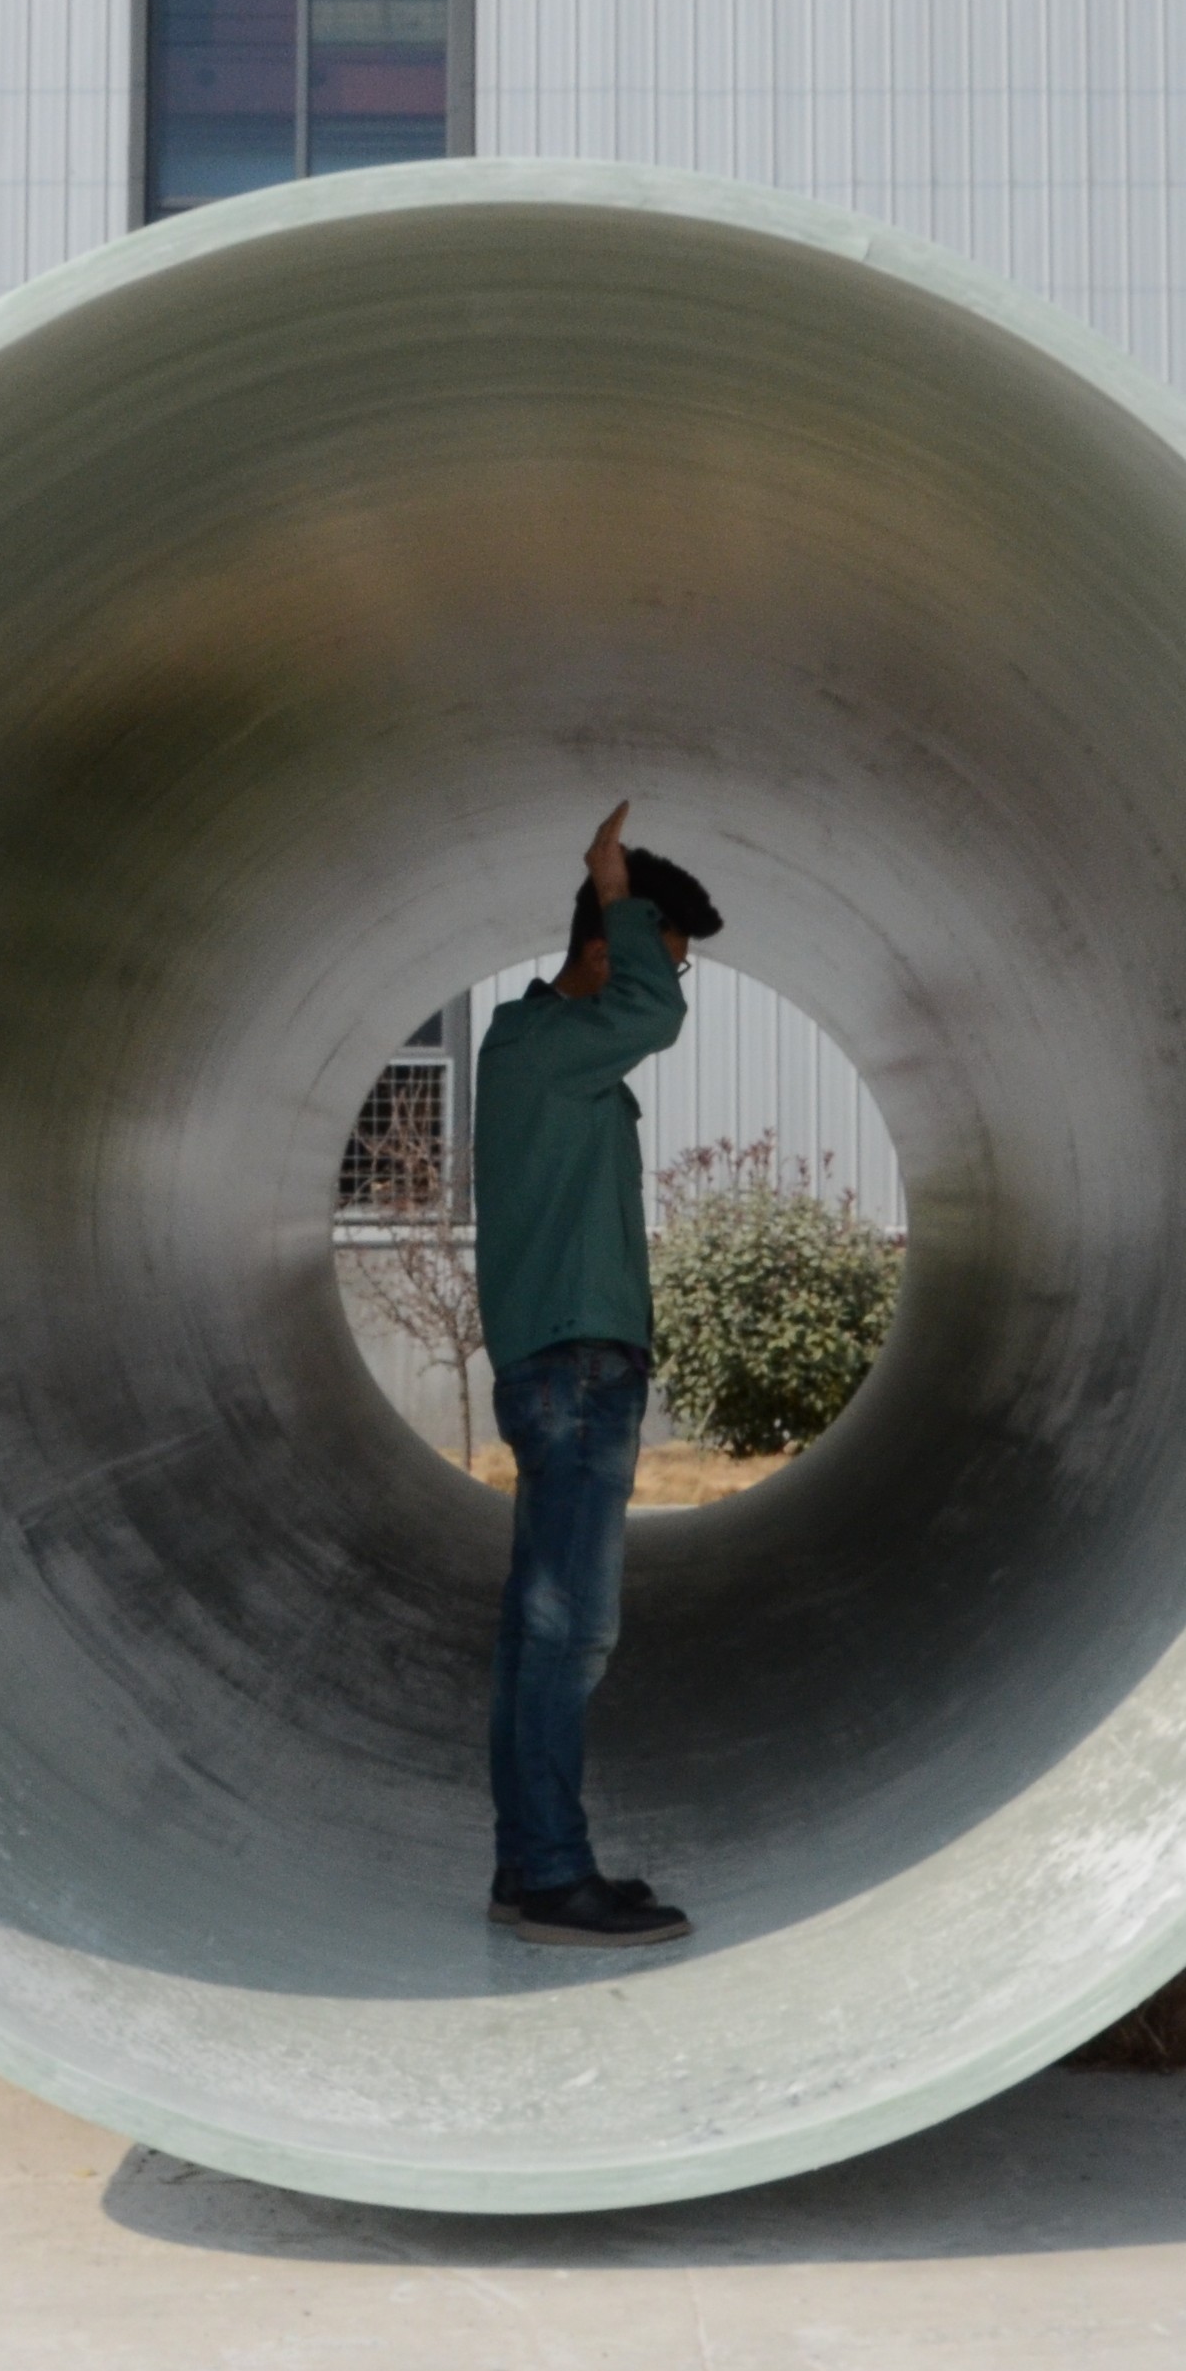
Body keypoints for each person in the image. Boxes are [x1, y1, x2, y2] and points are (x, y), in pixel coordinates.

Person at [468, 801, 721, 1949]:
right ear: (606, 948)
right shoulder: (538, 1044)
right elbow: (649, 1013)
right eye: (665, 956)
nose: (673, 983)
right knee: (568, 1634)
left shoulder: (552, 1057)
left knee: (543, 1633)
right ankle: (551, 1877)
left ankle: (530, 1866)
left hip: (577, 1366)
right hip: (572, 1372)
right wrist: (616, 890)